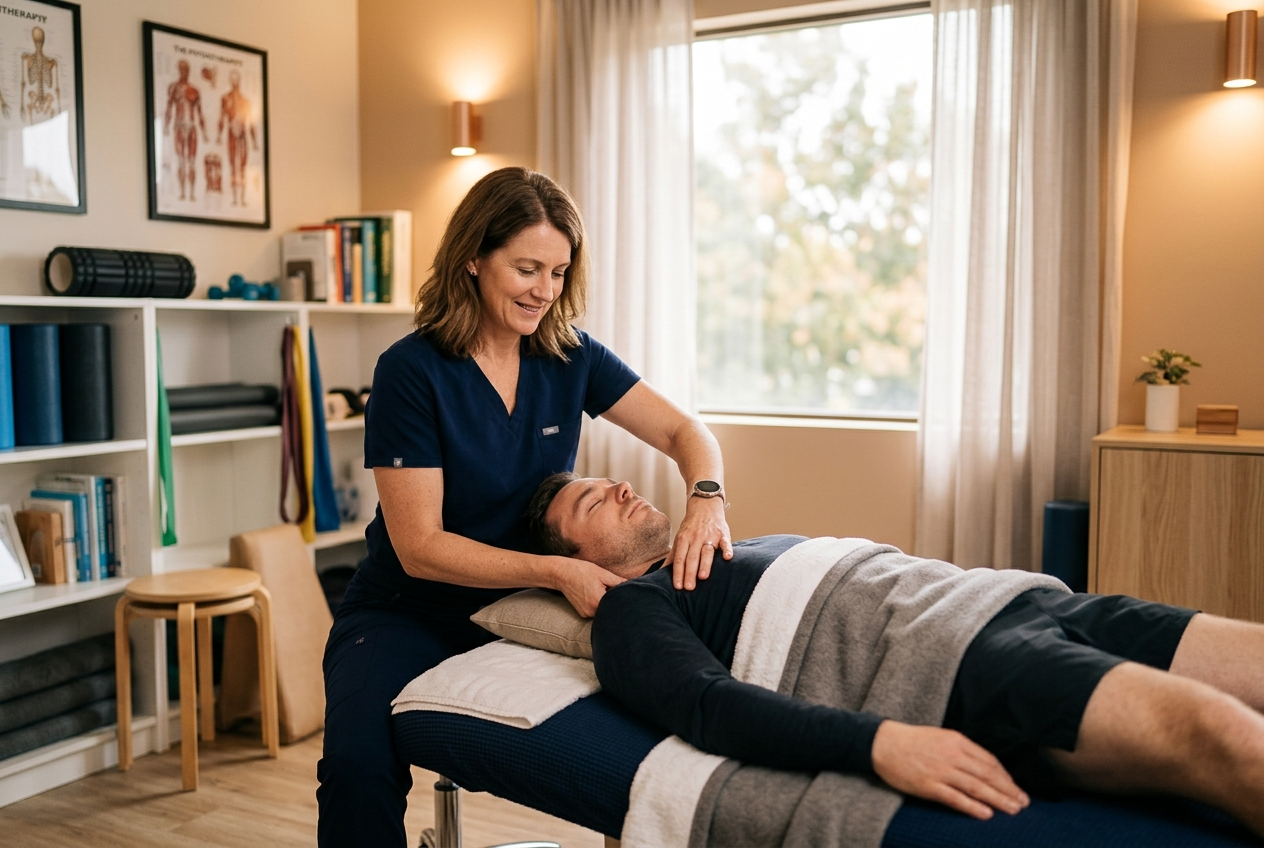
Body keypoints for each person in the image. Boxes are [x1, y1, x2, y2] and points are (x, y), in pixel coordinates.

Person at [317, 168, 734, 847]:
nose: (546, 290)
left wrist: (706, 500)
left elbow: (684, 433)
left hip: (525, 606)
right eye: (527, 268)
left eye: (560, 271)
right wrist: (558, 572)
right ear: (474, 259)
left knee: (633, 741)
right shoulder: (412, 372)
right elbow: (420, 546)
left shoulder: (569, 356)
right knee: (357, 767)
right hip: (407, 611)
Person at [526, 472, 1264, 836]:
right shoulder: (632, 608)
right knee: (1228, 738)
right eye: (593, 502)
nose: (619, 485)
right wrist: (881, 744)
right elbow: (709, 708)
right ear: (577, 561)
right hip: (967, 661)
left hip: (1026, 601)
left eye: (608, 480)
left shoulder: (724, 544)